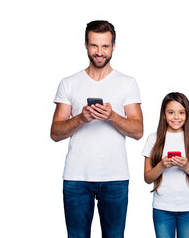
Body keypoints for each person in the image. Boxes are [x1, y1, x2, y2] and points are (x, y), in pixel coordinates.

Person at [50, 20, 143, 238]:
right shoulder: (68, 83)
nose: (99, 52)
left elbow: (138, 130)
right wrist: (81, 119)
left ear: (113, 46)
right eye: (94, 46)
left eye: (105, 46)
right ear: (85, 45)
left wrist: (111, 116)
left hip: (115, 176)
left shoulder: (127, 83)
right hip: (76, 177)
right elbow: (55, 132)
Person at [142, 92, 189, 238]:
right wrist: (161, 166)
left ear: (187, 115)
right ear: (164, 115)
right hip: (162, 208)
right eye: (171, 112)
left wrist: (187, 167)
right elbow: (147, 178)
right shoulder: (153, 139)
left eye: (181, 113)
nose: (176, 117)